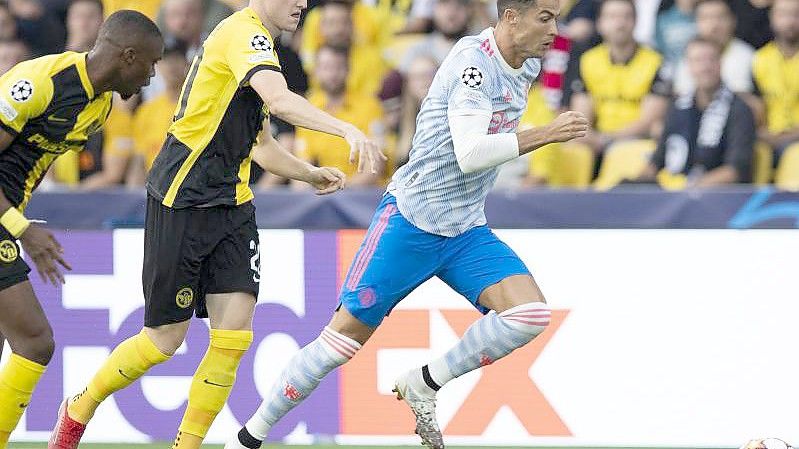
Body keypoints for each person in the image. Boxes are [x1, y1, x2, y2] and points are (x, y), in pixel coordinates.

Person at [226, 1, 588, 449]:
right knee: (336, 346)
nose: (556, 29)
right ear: (511, 18)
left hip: (464, 228)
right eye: (545, 18)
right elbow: (470, 153)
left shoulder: (524, 65)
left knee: (528, 314)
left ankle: (424, 383)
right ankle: (248, 438)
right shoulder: (474, 63)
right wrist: (546, 133)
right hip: (411, 219)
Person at [50, 2, 383, 449]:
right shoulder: (243, 35)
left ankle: (186, 445)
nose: (303, 3)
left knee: (233, 336)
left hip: (232, 204)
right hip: (182, 197)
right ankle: (78, 408)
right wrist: (345, 130)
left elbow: (261, 145)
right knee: (162, 341)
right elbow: (281, 101)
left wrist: (308, 172)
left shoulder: (263, 48)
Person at [0, 10, 163, 449]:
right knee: (35, 341)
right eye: (151, 64)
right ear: (128, 57)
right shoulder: (39, 80)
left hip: (6, 220)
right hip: (5, 221)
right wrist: (21, 229)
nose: (151, 77)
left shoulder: (99, 108)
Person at [637, 37, 755, 187]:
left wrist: (689, 190)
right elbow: (657, 160)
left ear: (721, 63)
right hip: (673, 192)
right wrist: (634, 186)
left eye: (711, 59)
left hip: (716, 198)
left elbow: (736, 170)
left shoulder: (739, 109)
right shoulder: (678, 106)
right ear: (688, 66)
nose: (705, 67)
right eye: (698, 61)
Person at [568, 0, 670, 157]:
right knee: (572, 151)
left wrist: (608, 140)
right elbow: (581, 115)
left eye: (626, 17)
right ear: (600, 23)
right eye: (612, 17)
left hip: (636, 141)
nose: (620, 23)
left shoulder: (656, 61)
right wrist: (595, 139)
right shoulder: (588, 60)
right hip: (596, 140)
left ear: (636, 21)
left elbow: (649, 121)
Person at [672, 0, 756, 96]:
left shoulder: (747, 56)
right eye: (706, 18)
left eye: (720, 17)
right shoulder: (688, 54)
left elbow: (746, 101)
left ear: (733, 21)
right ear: (696, 23)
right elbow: (680, 97)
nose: (714, 25)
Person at [752, 0, 799, 163]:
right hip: (768, 137)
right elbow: (755, 105)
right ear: (772, 18)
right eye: (783, 15)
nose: (790, 21)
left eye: (796, 14)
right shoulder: (759, 59)